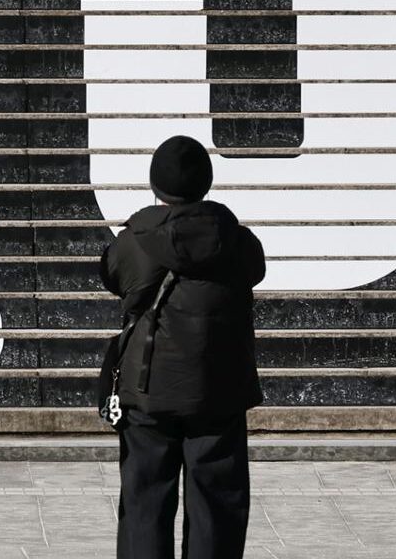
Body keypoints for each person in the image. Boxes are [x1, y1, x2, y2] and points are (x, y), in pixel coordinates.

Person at [101, 135, 267, 559]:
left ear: (156, 186)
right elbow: (256, 269)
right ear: (205, 184)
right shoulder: (234, 240)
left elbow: (110, 273)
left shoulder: (137, 241)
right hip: (218, 391)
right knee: (217, 510)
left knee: (144, 507)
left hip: (148, 390)